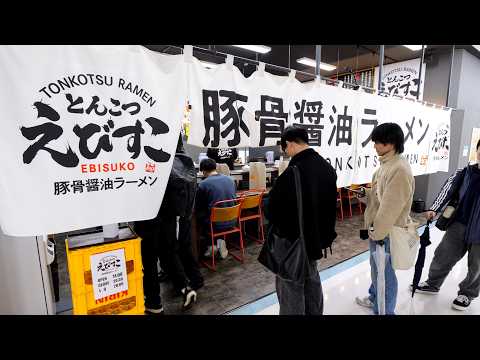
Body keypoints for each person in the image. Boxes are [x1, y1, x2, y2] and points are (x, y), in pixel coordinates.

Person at [266, 126, 337, 315]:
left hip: (292, 243)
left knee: (290, 288)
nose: (286, 153)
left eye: (285, 149)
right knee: (311, 281)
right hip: (316, 240)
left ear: (289, 144)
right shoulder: (326, 167)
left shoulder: (292, 172)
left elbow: (272, 211)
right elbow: (331, 206)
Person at [413, 139, 480, 311]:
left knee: (477, 265)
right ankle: (433, 283)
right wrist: (434, 208)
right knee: (444, 254)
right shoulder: (465, 172)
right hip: (459, 223)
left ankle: (467, 293)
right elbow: (448, 189)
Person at [355, 123, 414, 315]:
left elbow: (390, 208)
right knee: (376, 268)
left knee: (385, 275)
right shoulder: (387, 165)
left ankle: (385, 311)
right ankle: (375, 298)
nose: (374, 146)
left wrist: (377, 233)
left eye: (378, 142)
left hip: (386, 232)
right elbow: (382, 196)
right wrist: (366, 193)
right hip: (378, 229)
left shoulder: (399, 169)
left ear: (391, 143)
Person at [156, 135, 204, 310]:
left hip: (172, 215)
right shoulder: (186, 159)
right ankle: (194, 280)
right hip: (185, 213)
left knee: (171, 250)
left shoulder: (167, 162)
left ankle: (186, 285)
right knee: (183, 248)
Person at [195, 158, 237, 258]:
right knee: (216, 211)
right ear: (215, 168)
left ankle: (211, 245)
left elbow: (198, 205)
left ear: (203, 170)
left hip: (215, 224)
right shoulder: (230, 179)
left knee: (198, 216)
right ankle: (220, 242)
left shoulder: (203, 184)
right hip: (233, 220)